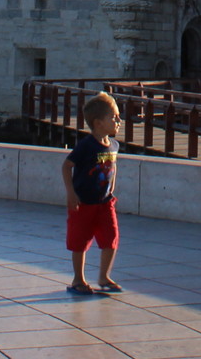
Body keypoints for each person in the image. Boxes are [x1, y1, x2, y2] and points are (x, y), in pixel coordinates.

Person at [61, 91, 123, 295]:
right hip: (83, 202)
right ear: (98, 123)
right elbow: (67, 166)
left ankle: (104, 276)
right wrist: (71, 193)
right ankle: (78, 279)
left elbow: (112, 166)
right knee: (80, 240)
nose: (118, 121)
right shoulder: (86, 146)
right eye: (114, 118)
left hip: (105, 202)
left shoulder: (113, 145)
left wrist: (111, 187)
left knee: (111, 237)